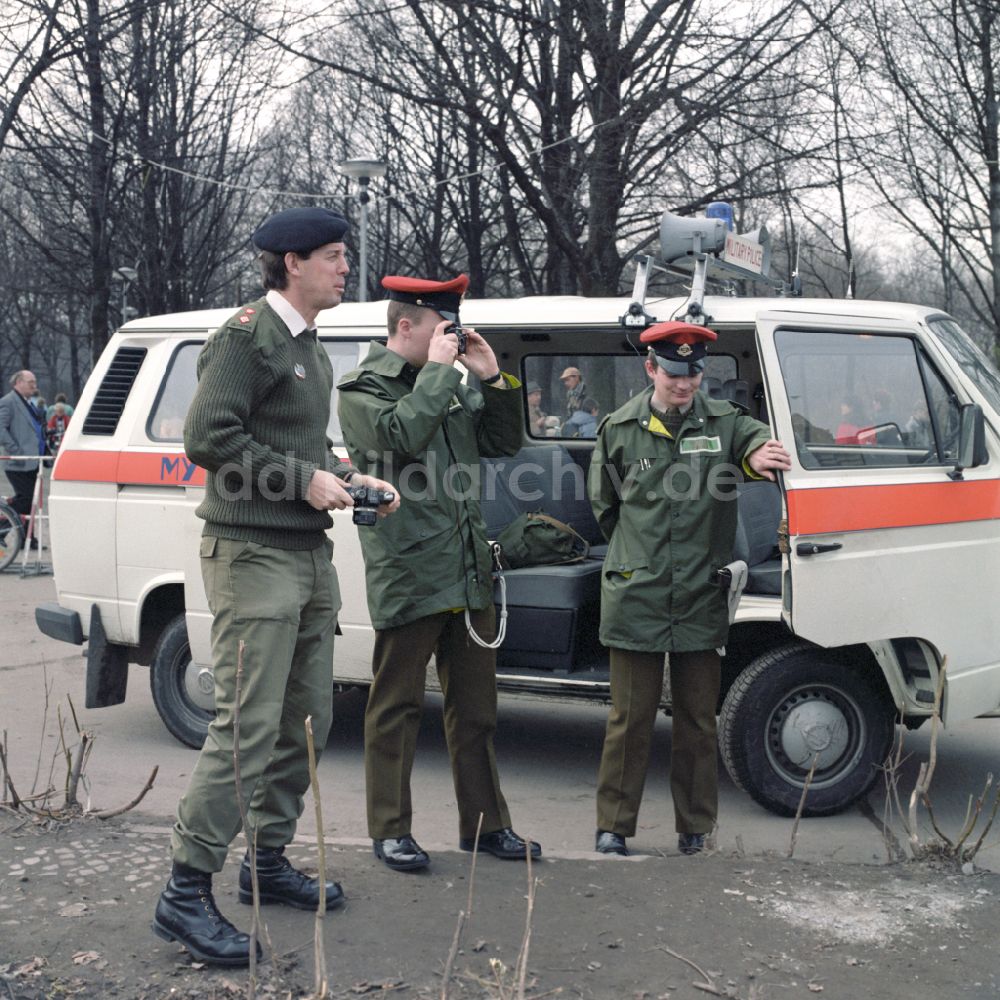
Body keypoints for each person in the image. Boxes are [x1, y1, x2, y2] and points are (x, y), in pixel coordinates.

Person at [153, 206, 399, 968]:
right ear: (290, 261)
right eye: (332, 255)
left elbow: (302, 442)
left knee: (307, 718)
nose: (343, 266)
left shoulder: (308, 347)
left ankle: (265, 859)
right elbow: (209, 438)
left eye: (342, 254)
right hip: (252, 553)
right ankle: (186, 891)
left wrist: (352, 480)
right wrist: (304, 480)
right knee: (245, 724)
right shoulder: (245, 335)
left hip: (305, 554)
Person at [337, 273, 541, 873]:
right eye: (441, 326)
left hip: (465, 563)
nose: (451, 335)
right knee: (396, 706)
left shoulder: (447, 383)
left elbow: (503, 442)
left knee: (475, 708)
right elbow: (398, 437)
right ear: (407, 326)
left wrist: (492, 378)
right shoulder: (363, 387)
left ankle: (486, 826)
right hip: (410, 567)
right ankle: (389, 829)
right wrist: (439, 373)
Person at [588, 321, 791, 858]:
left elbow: (751, 447)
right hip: (638, 594)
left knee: (698, 721)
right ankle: (614, 826)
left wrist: (756, 459)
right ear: (651, 368)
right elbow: (605, 507)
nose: (685, 384)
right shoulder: (619, 427)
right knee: (628, 719)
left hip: (702, 593)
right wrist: (639, 557)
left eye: (695, 373)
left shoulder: (726, 424)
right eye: (675, 373)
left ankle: (695, 826)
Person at [0, 371, 46, 536]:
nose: (34, 385)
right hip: (18, 462)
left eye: (35, 381)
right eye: (30, 382)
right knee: (26, 499)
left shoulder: (29, 403)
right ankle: (2, 527)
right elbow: (1, 429)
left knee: (30, 501)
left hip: (32, 461)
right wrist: (16, 451)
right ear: (19, 382)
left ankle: (28, 537)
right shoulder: (8, 402)